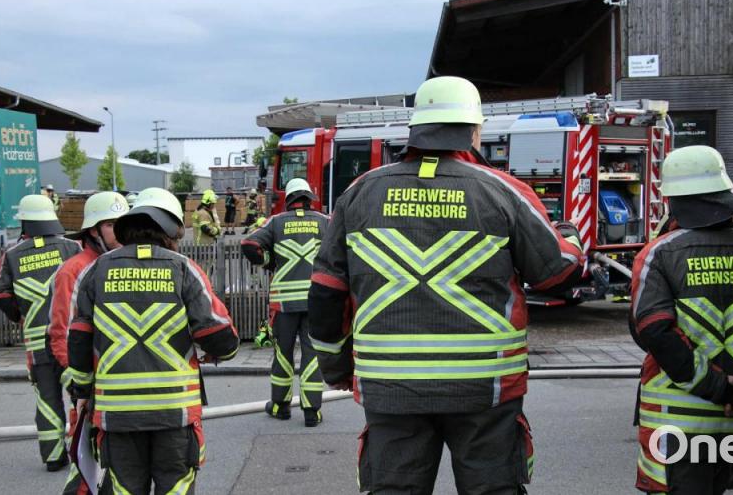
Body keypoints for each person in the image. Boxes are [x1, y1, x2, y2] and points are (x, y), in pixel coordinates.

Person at [307, 76, 586, 494]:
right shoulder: (504, 191)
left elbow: (326, 294)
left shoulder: (359, 193)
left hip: (390, 388)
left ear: (415, 130)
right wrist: (571, 238)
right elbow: (558, 273)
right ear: (474, 131)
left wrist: (335, 368)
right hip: (485, 390)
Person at [630, 146, 733, 494]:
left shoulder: (660, 254)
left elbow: (652, 330)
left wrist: (719, 387)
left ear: (673, 199)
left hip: (675, 423)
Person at [67, 187, 240, 494]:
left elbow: (78, 340)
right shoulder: (184, 269)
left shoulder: (96, 271)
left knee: (124, 489)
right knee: (175, 487)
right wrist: (215, 350)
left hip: (115, 416)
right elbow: (221, 338)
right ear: (173, 229)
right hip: (174, 414)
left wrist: (80, 390)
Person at [48, 191, 129, 495]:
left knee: (115, 468)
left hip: (116, 384)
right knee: (86, 467)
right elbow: (61, 334)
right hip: (90, 385)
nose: (120, 231)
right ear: (94, 230)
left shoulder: (119, 265)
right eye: (112, 224)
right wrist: (80, 386)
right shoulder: (74, 270)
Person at [0, 194, 82, 471]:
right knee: (81, 395)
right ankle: (87, 452)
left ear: (25, 222)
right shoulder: (72, 247)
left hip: (37, 342)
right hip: (70, 340)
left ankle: (54, 456)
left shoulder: (12, 255)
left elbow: (3, 296)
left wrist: (21, 315)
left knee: (47, 399)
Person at [241, 178, 328, 426]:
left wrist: (268, 261)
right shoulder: (324, 222)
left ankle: (280, 406)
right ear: (309, 198)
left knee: (283, 353)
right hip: (315, 301)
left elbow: (248, 243)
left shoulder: (276, 222)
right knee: (313, 355)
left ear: (288, 199)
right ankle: (312, 412)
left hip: (284, 303)